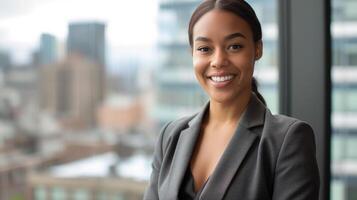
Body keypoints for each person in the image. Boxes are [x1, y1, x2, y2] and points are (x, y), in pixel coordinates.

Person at [143, 0, 320, 199]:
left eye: (234, 46)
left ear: (258, 49)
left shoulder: (287, 140)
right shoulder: (170, 136)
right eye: (204, 49)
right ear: (191, 53)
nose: (218, 61)